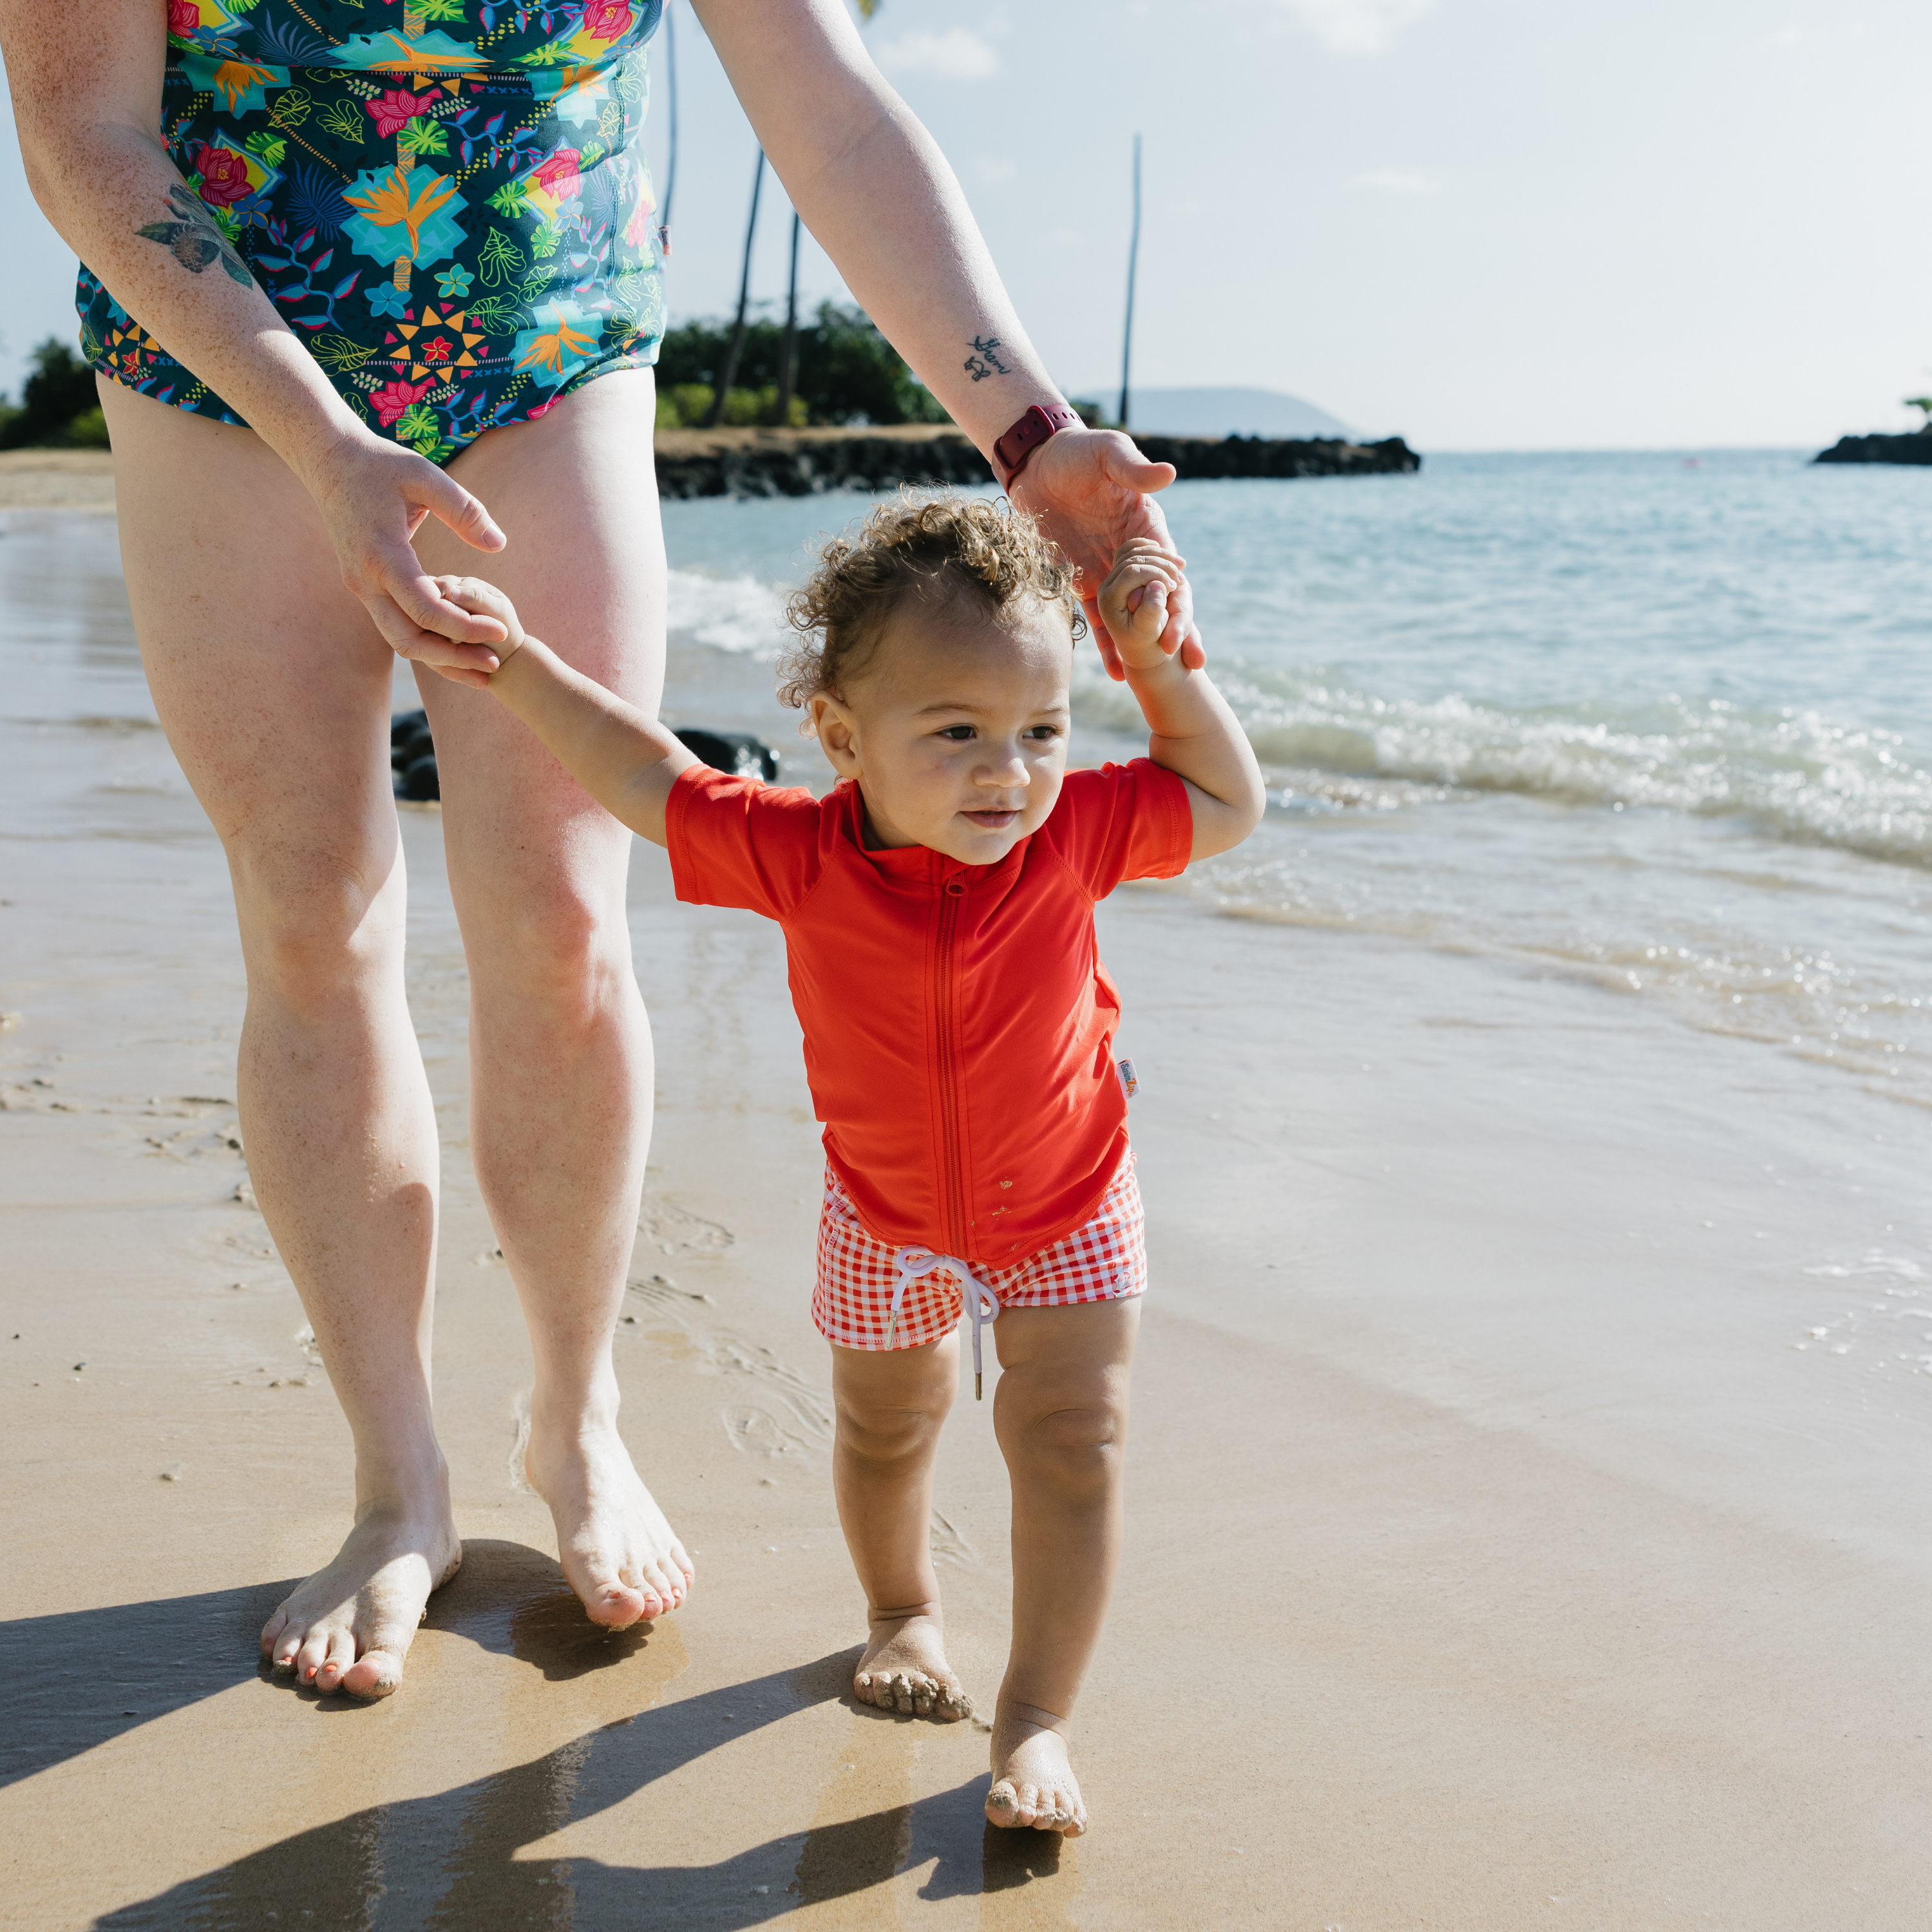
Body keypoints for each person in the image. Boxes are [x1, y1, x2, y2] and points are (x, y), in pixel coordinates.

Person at [0, 0, 1202, 1700]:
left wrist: (1028, 435)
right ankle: (395, 1483)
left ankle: (575, 1423)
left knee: (563, 914)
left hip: (548, 342)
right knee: (310, 908)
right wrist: (325, 439)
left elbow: (827, 108)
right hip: (226, 365)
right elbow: (82, 129)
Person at [440, 493, 1265, 1832]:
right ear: (840, 736)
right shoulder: (799, 854)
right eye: (957, 734)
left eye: (1042, 731)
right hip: (881, 1212)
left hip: (1068, 1196)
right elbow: (649, 779)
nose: (1010, 771)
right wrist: (522, 664)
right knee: (889, 1427)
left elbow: (1228, 798)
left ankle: (1038, 1719)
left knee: (1073, 1440)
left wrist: (1156, 662)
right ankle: (900, 1614)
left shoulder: (1077, 835)